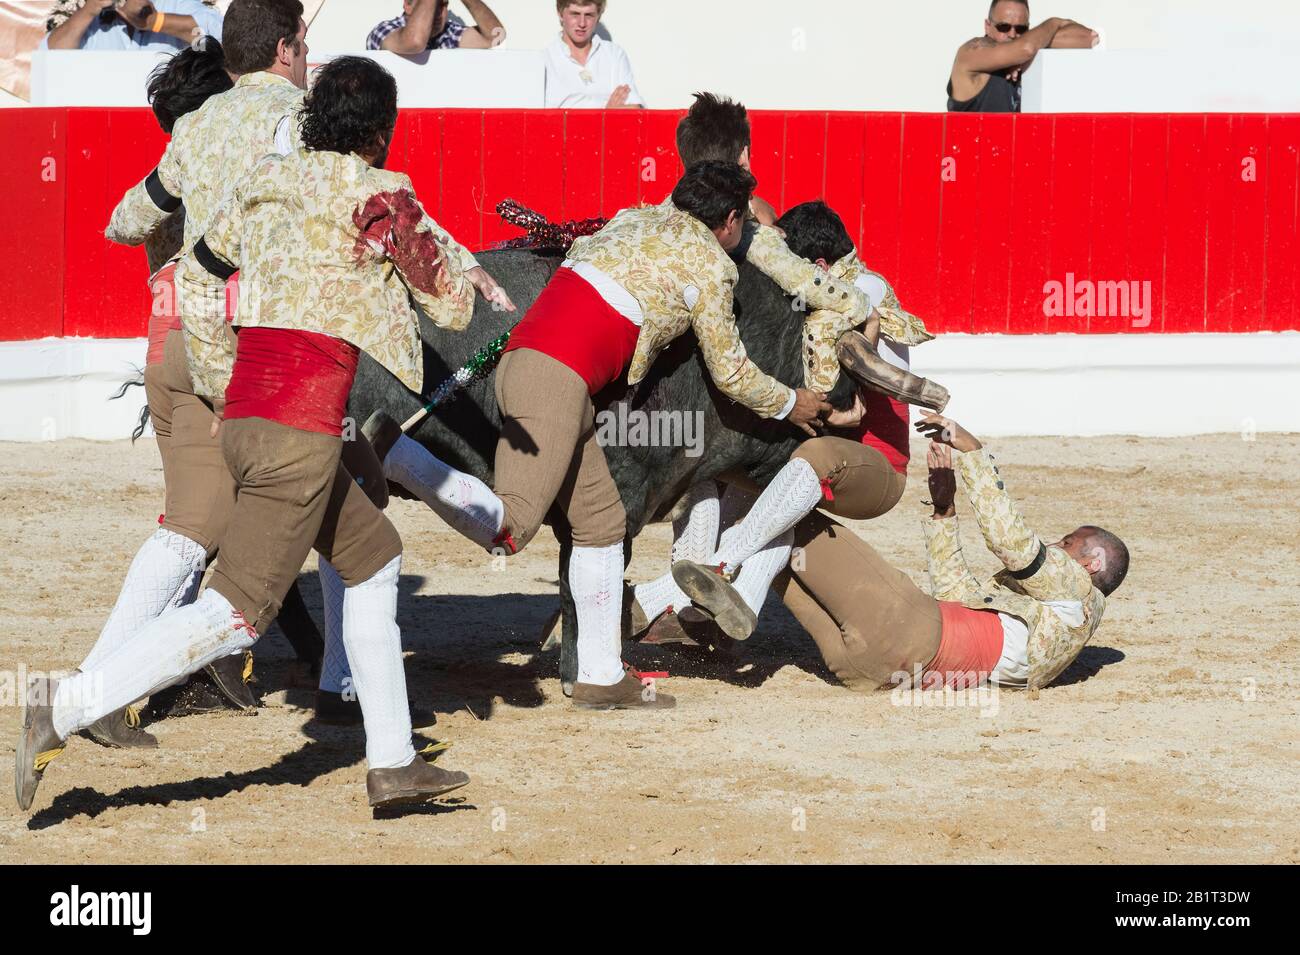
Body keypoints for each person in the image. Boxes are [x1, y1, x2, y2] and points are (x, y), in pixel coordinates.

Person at [17, 56, 483, 814]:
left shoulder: (269, 182)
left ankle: (393, 759)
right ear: (382, 132)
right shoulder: (380, 197)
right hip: (300, 432)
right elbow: (455, 309)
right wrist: (453, 262)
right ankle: (64, 706)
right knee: (233, 613)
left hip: (246, 410)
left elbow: (194, 273)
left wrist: (216, 371)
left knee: (372, 556)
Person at [365, 161, 833, 710]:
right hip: (557, 377)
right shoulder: (711, 265)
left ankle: (600, 675)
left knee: (601, 521)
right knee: (511, 525)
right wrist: (791, 402)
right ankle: (397, 453)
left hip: (547, 371)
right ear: (729, 221)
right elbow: (730, 374)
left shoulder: (631, 219)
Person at [630, 200, 940, 644]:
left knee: (808, 459)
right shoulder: (817, 293)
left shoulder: (863, 293)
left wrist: (826, 410)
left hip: (873, 465)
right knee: (708, 460)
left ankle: (697, 577)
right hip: (804, 450)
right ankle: (706, 614)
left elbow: (849, 410)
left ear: (817, 266)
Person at [773, 416, 1129, 693]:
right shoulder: (1056, 627)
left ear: (1091, 563)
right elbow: (952, 595)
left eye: (1066, 543)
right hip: (870, 669)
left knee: (793, 517)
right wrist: (944, 510)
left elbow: (1011, 542)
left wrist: (972, 451)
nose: (1053, 546)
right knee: (776, 549)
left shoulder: (1077, 589)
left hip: (904, 629)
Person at [947, 0, 1098, 113]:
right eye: (1003, 27)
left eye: (1021, 28)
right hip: (973, 152)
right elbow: (1026, 48)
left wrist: (1019, 53)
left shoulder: (1028, 49)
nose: (1012, 35)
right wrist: (1055, 22)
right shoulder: (971, 53)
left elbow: (1090, 38)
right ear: (987, 26)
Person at [544, 0, 642, 109]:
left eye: (589, 15)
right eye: (575, 14)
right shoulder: (545, 60)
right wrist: (607, 113)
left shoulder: (614, 55)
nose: (582, 23)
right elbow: (541, 119)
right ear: (560, 13)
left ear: (598, 16)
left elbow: (634, 109)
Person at [44, 0, 222, 51]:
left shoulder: (174, 4)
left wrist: (154, 21)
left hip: (168, 123)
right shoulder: (90, 16)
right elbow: (50, 57)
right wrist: (89, 10)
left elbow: (216, 39)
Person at [367, 0, 505, 53]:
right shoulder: (384, 30)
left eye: (443, 5)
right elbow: (414, 42)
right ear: (408, 5)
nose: (437, 13)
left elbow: (496, 36)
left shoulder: (448, 33)